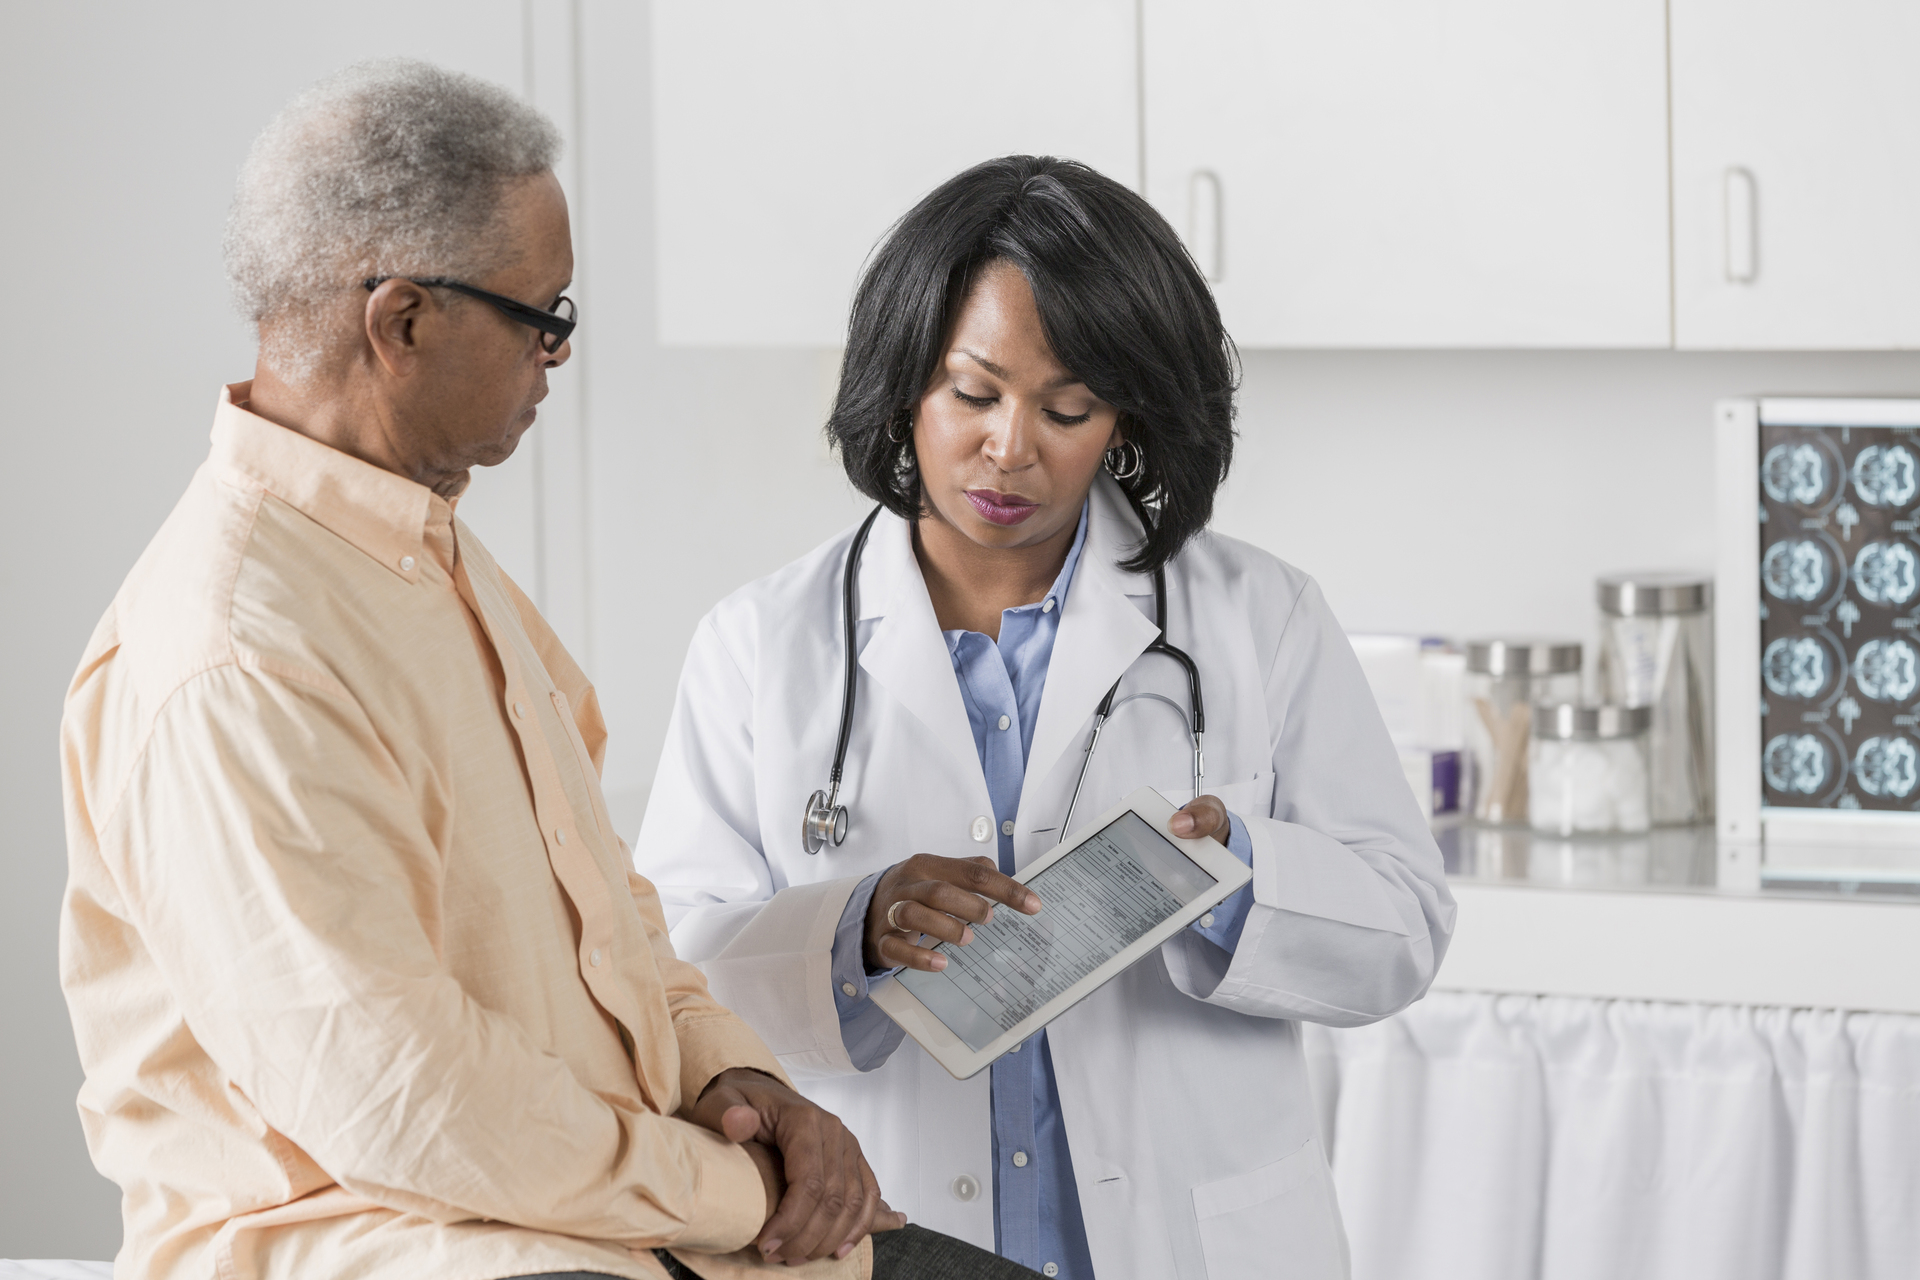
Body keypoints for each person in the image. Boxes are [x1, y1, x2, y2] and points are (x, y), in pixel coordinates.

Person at [58, 60, 1038, 1280]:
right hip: (406, 1240)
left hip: (619, 1216)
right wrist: (730, 1184)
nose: (558, 357)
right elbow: (399, 1095)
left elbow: (609, 908)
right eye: (545, 316)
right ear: (403, 321)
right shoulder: (234, 654)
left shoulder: (429, 555)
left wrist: (737, 1076)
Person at [634, 156, 1457, 1280]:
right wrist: (853, 929)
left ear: (1123, 417)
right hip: (899, 1235)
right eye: (973, 393)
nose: (1010, 447)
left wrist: (1238, 879)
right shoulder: (763, 643)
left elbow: (1404, 925)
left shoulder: (1258, 617)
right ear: (905, 382)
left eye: (1066, 407)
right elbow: (676, 970)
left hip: (1196, 1240)